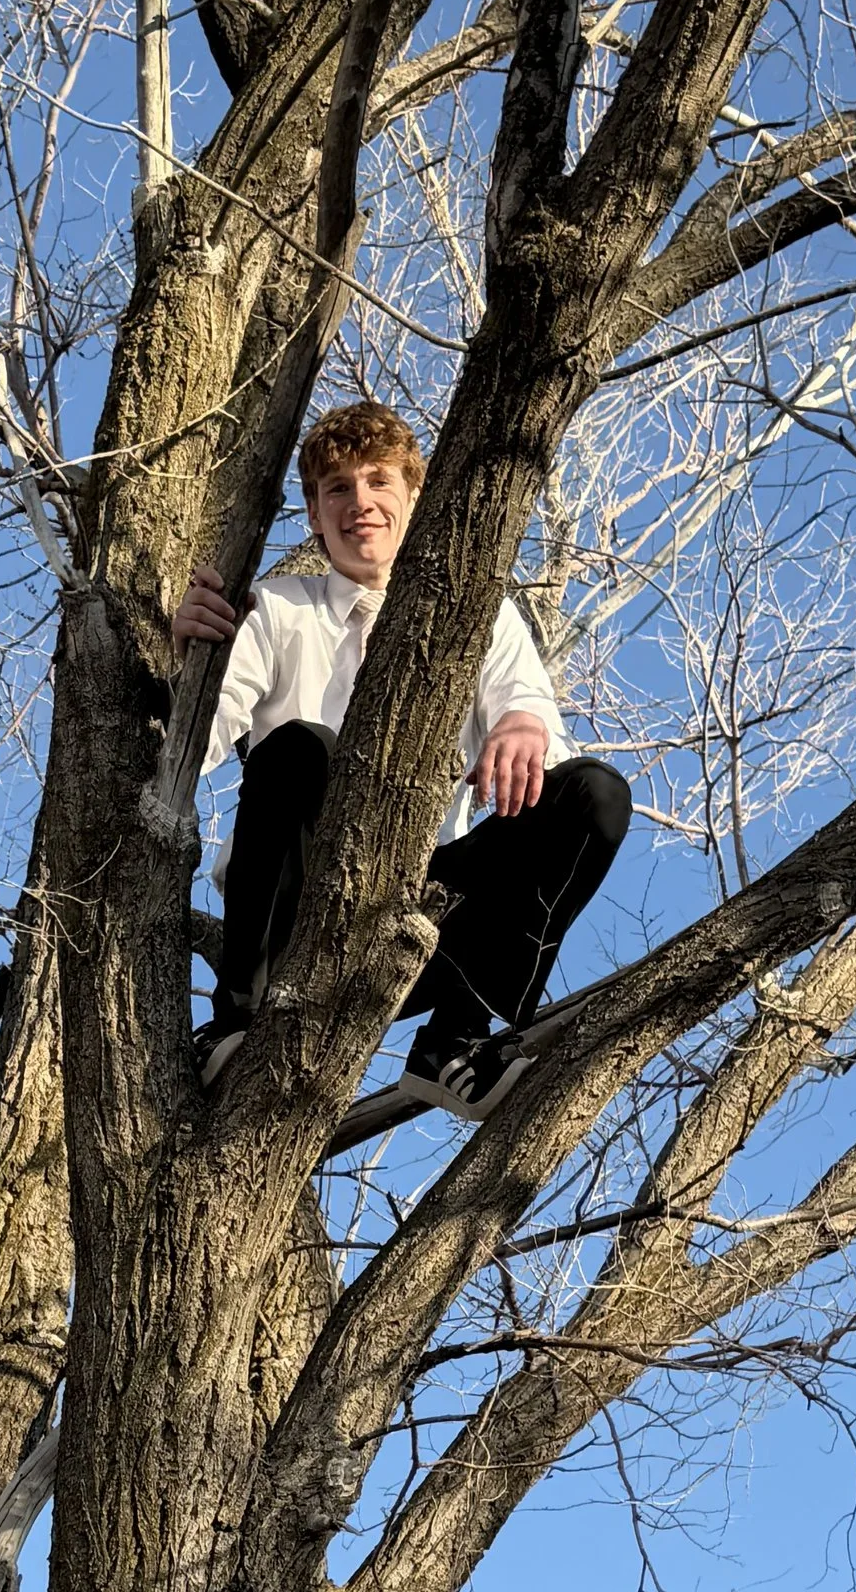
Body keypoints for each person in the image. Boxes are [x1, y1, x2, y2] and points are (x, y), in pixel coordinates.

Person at [173, 401, 633, 1115]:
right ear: (316, 516)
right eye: (337, 488)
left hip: (413, 917)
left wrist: (523, 722)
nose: (361, 503)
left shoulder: (480, 615)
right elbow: (193, 748)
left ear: (414, 497)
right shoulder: (275, 608)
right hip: (292, 912)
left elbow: (531, 715)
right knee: (299, 746)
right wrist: (190, 668)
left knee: (594, 795)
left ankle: (453, 1037)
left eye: (379, 481)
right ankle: (236, 1020)